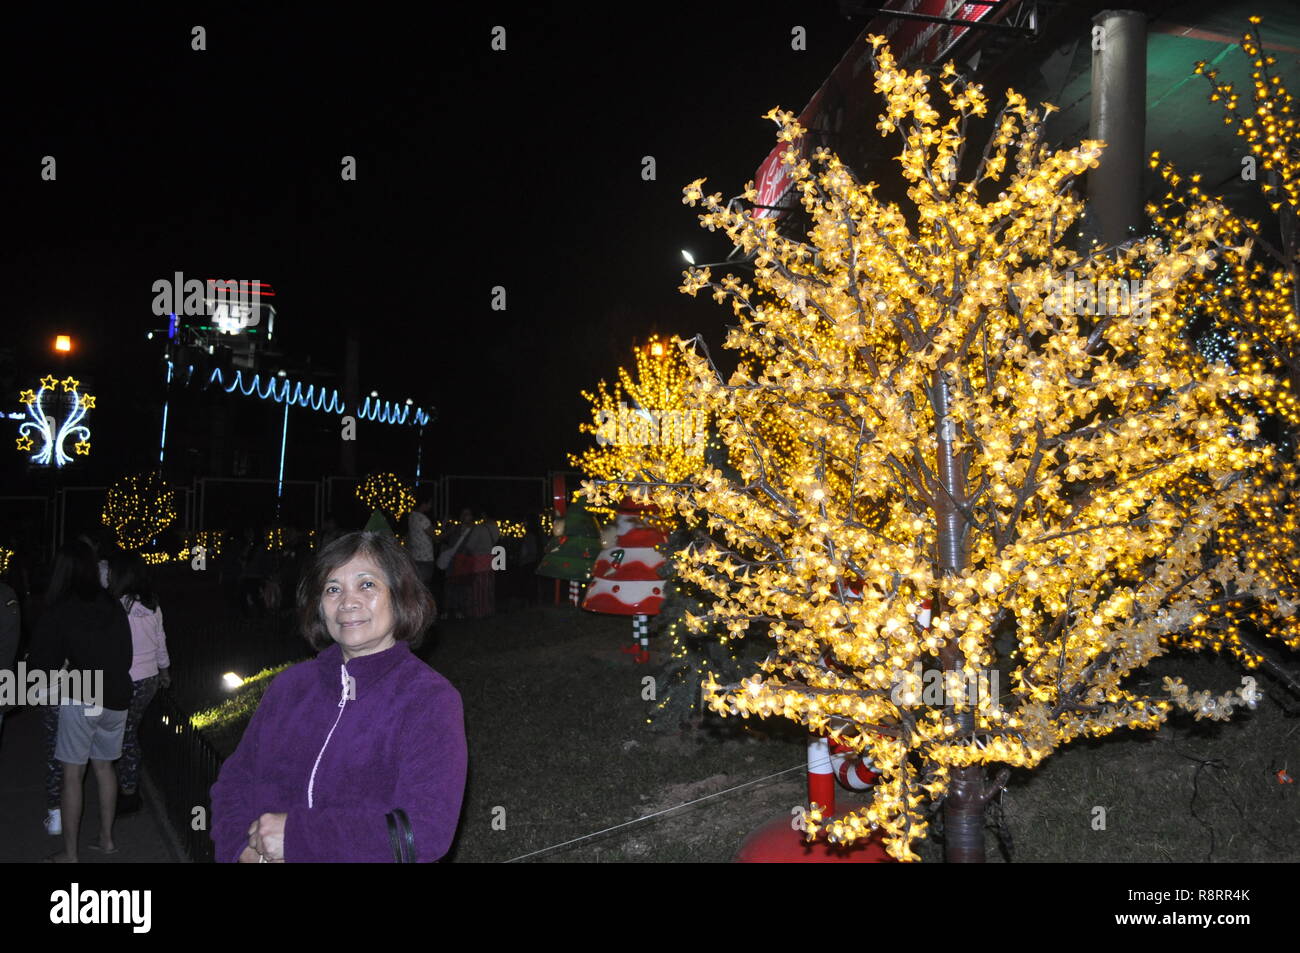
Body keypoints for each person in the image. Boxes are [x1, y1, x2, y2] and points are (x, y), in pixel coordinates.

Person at [209, 531, 466, 862]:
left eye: (367, 585)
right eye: (333, 589)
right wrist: (240, 851)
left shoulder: (430, 699)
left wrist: (298, 837)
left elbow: (423, 830)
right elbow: (234, 782)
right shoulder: (290, 687)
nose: (348, 601)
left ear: (399, 596)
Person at [27, 540, 133, 862]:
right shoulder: (111, 603)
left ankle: (70, 855)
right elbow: (125, 654)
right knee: (104, 768)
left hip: (83, 695)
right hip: (116, 696)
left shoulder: (61, 609)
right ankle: (107, 840)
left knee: (73, 774)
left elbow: (41, 665)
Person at [107, 551, 171, 816]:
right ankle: (127, 788)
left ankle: (125, 790)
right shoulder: (153, 605)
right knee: (129, 732)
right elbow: (160, 641)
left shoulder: (119, 605)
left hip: (126, 678)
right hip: (148, 679)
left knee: (124, 734)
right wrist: (164, 671)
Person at [407, 496, 436, 591]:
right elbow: (436, 537)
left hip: (415, 556)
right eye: (429, 504)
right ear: (424, 504)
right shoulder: (423, 519)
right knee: (424, 588)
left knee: (417, 588)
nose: (430, 506)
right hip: (426, 558)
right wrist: (450, 531)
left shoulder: (412, 516)